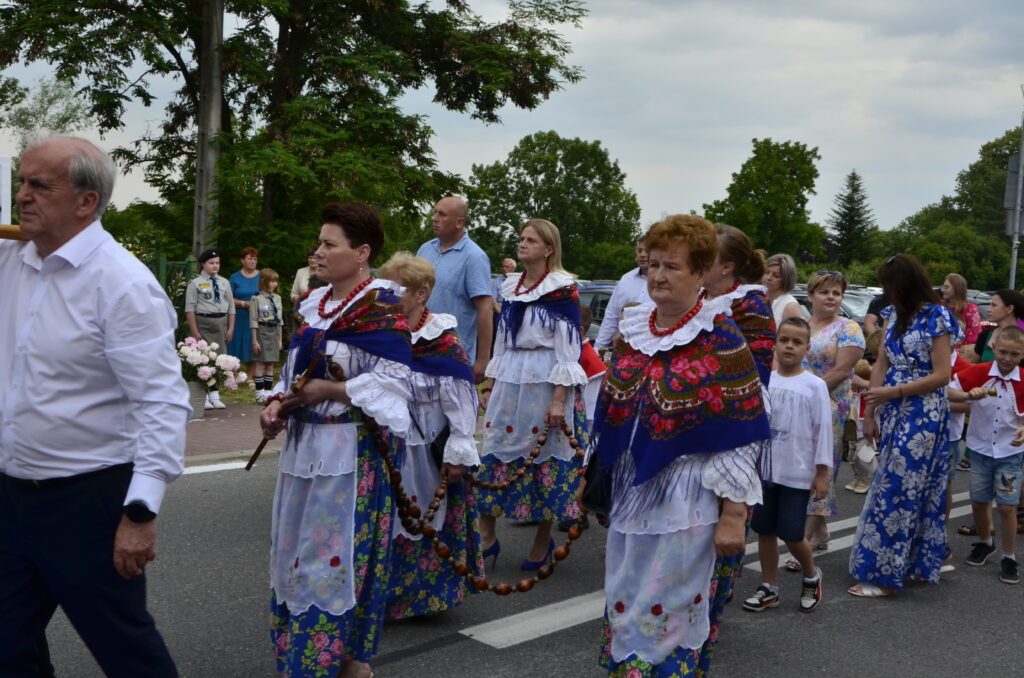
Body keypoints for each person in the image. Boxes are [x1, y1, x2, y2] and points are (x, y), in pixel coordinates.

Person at [0, 135, 188, 676]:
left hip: (88, 501)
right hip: (11, 494)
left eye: (39, 185)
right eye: (21, 182)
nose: (22, 195)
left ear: (86, 201)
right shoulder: (10, 260)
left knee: (125, 652)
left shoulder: (123, 284)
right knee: (7, 647)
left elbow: (161, 403)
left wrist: (140, 512)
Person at [590, 214, 769, 677]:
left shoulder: (721, 339)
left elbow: (742, 430)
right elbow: (614, 411)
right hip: (632, 495)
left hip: (686, 502)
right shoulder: (635, 332)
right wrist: (597, 475)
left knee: (667, 611)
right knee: (626, 601)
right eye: (653, 265)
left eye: (672, 266)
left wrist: (733, 515)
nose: (658, 276)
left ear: (701, 273)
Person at [260, 202, 413, 678]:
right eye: (319, 243)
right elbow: (292, 373)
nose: (319, 252)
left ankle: (334, 660)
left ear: (361, 253)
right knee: (293, 552)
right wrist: (276, 404)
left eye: (330, 244)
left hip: (348, 454)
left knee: (330, 559)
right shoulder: (313, 306)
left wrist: (329, 391)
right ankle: (317, 658)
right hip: (302, 449)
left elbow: (397, 383)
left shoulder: (381, 308)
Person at [377, 252, 484, 620]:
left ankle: (423, 599)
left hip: (425, 450)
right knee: (386, 519)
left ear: (421, 294)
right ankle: (384, 597)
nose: (387, 299)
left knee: (421, 518)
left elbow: (462, 402)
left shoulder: (442, 342)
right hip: (386, 446)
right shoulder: (383, 334)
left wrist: (458, 450)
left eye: (395, 291)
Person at [476, 219, 587, 570]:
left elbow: (568, 350)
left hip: (545, 379)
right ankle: (486, 536)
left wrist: (558, 399)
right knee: (496, 448)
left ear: (549, 249)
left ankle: (542, 540)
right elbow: (502, 340)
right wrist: (491, 385)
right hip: (511, 378)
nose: (522, 244)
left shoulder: (562, 288)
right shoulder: (510, 286)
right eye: (521, 238)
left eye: (531, 240)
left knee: (545, 456)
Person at [847, 254, 961, 597]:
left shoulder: (937, 316)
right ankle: (919, 562)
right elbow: (881, 362)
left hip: (923, 414)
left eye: (891, 286)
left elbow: (942, 375)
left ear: (907, 284)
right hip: (893, 409)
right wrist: (870, 412)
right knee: (905, 487)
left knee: (898, 489)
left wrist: (894, 392)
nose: (887, 292)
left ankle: (886, 576)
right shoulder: (893, 314)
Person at [742, 317, 830, 613]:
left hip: (797, 472)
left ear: (807, 348)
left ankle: (811, 575)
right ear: (775, 344)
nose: (789, 346)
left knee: (792, 532)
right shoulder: (765, 380)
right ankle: (769, 587)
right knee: (764, 529)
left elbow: (822, 429)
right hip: (766, 472)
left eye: (797, 342)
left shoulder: (815, 386)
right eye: (784, 340)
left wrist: (821, 472)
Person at [790, 270, 864, 564]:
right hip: (797, 406)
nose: (831, 297)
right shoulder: (802, 325)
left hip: (829, 407)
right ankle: (820, 532)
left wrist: (811, 397)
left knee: (820, 468)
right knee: (801, 468)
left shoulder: (849, 328)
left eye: (836, 293)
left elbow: (842, 371)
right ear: (810, 296)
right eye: (824, 292)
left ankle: (805, 538)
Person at [949, 326, 1024, 586]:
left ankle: (1009, 556)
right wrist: (967, 394)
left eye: (1014, 354)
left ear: (1022, 355)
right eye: (1003, 352)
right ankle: (986, 542)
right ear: (994, 348)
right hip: (980, 451)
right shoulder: (979, 372)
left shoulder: (1023, 379)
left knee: (1006, 507)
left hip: (1009, 453)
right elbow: (948, 391)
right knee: (979, 502)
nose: (1007, 358)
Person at [417, 196, 493, 381]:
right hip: (418, 349)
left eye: (442, 214)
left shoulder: (474, 257)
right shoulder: (425, 249)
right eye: (435, 212)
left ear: (459, 222)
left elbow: (485, 308)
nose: (434, 218)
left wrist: (483, 360)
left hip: (452, 356)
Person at [704, 223, 775, 386]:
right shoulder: (691, 296)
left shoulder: (752, 304)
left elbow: (757, 370)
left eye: (706, 256)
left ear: (727, 267)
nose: (696, 261)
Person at [184, 247, 236, 409]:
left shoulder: (224, 282)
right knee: (203, 360)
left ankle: (215, 395)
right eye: (211, 263)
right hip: (203, 323)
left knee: (219, 359)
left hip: (221, 323)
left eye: (217, 263)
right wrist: (195, 331)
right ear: (203, 264)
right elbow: (190, 309)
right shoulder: (195, 283)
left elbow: (231, 307)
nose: (215, 266)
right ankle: (204, 396)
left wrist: (230, 329)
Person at [594, 237, 651, 351]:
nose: (642, 254)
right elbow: (611, 316)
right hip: (622, 351)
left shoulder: (668, 281)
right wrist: (598, 348)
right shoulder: (626, 279)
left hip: (654, 350)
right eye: (639, 250)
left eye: (648, 250)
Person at [250, 268, 284, 404]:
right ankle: (259, 394)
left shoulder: (277, 298)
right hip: (262, 331)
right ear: (264, 281)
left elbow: (280, 321)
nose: (274, 284)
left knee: (270, 364)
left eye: (276, 281)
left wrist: (280, 339)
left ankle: (269, 394)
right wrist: (255, 340)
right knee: (260, 363)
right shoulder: (256, 298)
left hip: (274, 332)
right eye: (272, 281)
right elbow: (253, 321)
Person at [227, 246, 261, 366]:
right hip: (238, 318)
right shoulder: (234, 277)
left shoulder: (262, 277)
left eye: (255, 259)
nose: (253, 262)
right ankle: (235, 374)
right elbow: (228, 298)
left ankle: (250, 376)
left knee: (253, 348)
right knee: (235, 349)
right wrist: (244, 304)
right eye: (250, 259)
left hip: (257, 319)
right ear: (242, 260)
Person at [940, 272, 981, 352]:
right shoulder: (940, 308)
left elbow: (974, 337)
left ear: (957, 289)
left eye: (946, 287)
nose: (942, 290)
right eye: (943, 286)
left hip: (962, 353)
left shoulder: (971, 309)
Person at [763, 253, 802, 328]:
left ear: (786, 279)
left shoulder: (791, 307)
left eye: (776, 275)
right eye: (767, 272)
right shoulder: (756, 297)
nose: (769, 277)